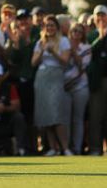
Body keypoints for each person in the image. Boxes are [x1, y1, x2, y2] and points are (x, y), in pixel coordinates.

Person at [31, 15, 71, 156]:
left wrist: (53, 51)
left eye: (52, 25)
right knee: (46, 114)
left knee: (57, 113)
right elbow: (33, 62)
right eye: (47, 26)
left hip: (56, 77)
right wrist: (42, 50)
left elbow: (65, 61)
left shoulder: (64, 41)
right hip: (42, 78)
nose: (49, 28)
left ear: (57, 27)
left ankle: (65, 147)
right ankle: (53, 148)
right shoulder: (40, 42)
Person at [4, 7, 39, 152]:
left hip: (36, 80)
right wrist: (16, 45)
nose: (24, 22)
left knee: (35, 116)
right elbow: (12, 61)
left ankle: (36, 146)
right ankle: (26, 147)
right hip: (22, 82)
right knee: (24, 116)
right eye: (21, 20)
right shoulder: (16, 36)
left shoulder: (37, 33)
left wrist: (27, 41)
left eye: (26, 19)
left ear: (31, 20)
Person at [86, 4, 107, 156]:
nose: (100, 18)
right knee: (95, 115)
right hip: (96, 81)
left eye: (103, 15)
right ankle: (95, 148)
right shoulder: (91, 35)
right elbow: (91, 50)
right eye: (97, 16)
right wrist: (100, 37)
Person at [63, 22, 91, 155]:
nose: (76, 34)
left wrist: (73, 51)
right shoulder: (63, 46)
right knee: (65, 119)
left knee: (78, 119)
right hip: (65, 87)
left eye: (79, 32)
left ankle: (77, 148)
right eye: (74, 31)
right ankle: (66, 147)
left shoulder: (86, 47)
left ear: (82, 34)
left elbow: (82, 67)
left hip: (80, 87)